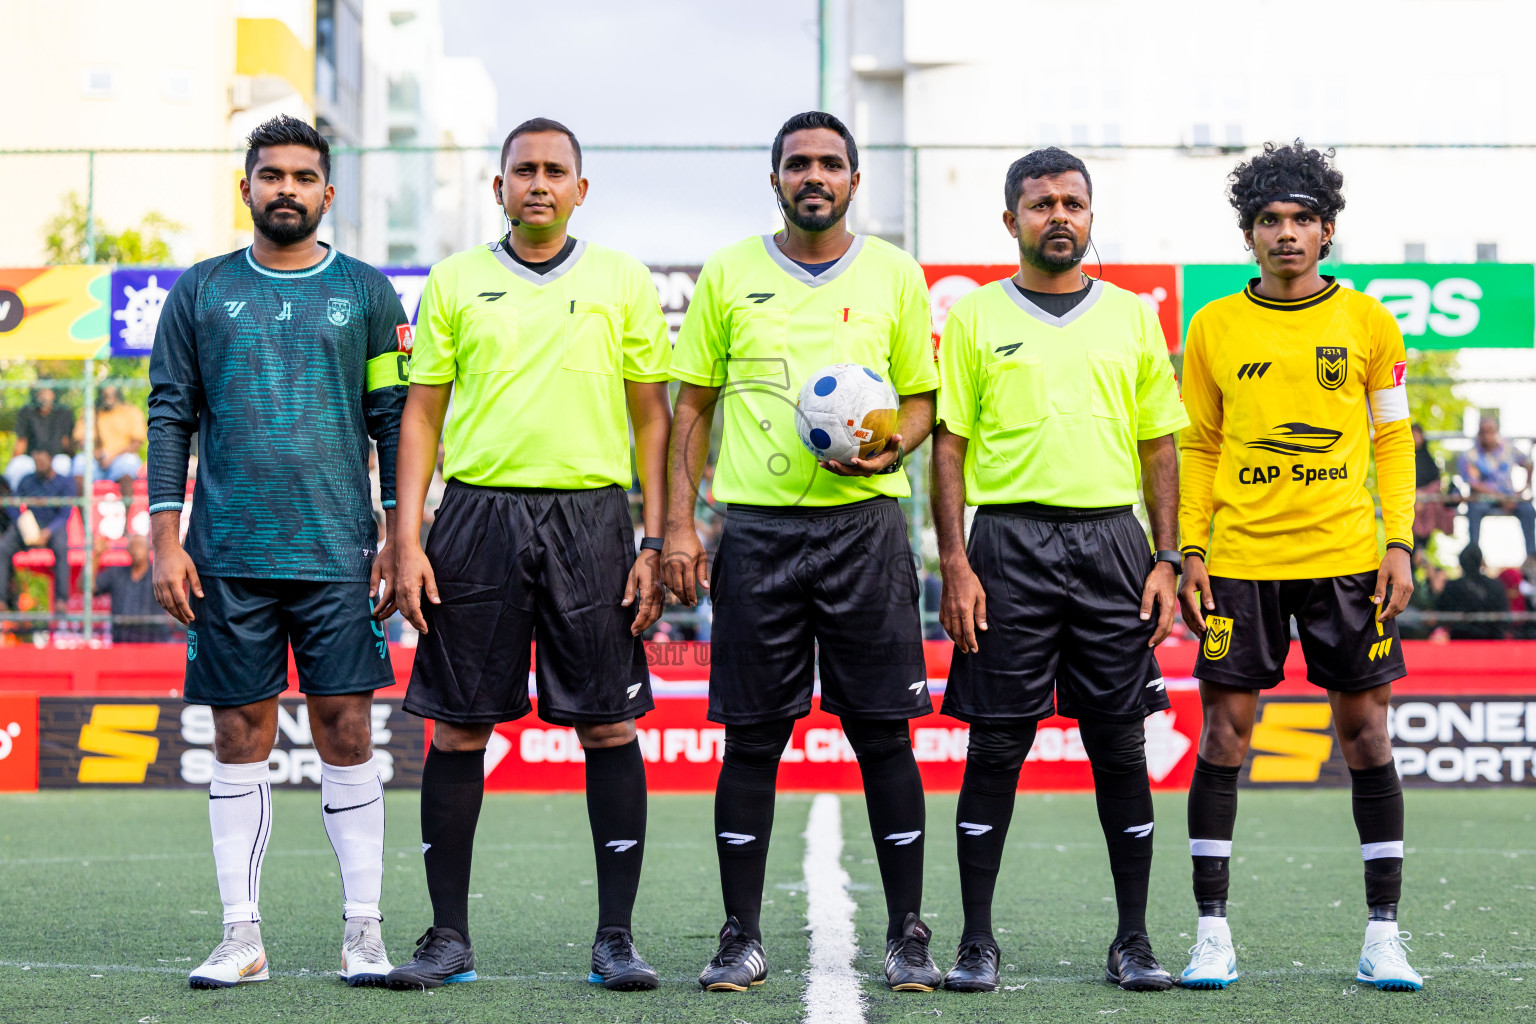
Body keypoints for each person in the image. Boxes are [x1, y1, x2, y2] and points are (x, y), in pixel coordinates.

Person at [386, 118, 672, 992]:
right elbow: (422, 413)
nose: (538, 182)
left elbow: (652, 416)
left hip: (593, 519)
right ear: (499, 186)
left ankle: (616, 939)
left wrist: (654, 539)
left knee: (608, 724)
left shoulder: (622, 279)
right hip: (476, 516)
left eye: (554, 171)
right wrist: (407, 537)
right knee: (458, 725)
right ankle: (448, 938)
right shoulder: (454, 281)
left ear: (580, 190)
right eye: (523, 170)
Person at [665, 111, 941, 993]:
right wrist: (679, 525)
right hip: (757, 535)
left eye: (829, 163)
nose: (813, 176)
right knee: (752, 739)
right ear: (776, 178)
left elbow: (922, 402)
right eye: (797, 164)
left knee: (884, 735)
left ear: (855, 179)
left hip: (866, 531)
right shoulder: (728, 272)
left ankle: (907, 934)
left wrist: (892, 449)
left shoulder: (895, 272)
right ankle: (739, 936)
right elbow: (692, 405)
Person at [147, 114, 409, 990]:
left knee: (348, 731)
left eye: (302, 177)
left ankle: (363, 932)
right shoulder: (201, 290)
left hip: (338, 553)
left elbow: (391, 421)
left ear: (327, 192)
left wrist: (397, 536)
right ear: (247, 187)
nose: (286, 189)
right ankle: (241, 937)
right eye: (271, 175)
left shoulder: (368, 293)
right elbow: (170, 415)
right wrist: (165, 537)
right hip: (227, 554)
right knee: (237, 734)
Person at [932, 147, 1187, 994]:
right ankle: (976, 941)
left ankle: (1133, 941)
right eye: (1041, 205)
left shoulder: (1131, 316)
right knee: (996, 742)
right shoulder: (973, 316)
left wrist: (1165, 556)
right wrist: (956, 561)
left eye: (1072, 203)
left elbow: (1159, 445)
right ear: (1012, 220)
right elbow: (949, 447)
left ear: (1091, 215)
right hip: (1007, 544)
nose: (1059, 216)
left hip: (1114, 544)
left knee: (1120, 743)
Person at [1177, 142, 1421, 992]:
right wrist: (1191, 549)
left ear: (1327, 231)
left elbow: (1393, 437)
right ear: (1249, 234)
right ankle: (1212, 933)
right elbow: (1199, 446)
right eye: (1270, 220)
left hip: (1347, 561)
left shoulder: (1368, 322)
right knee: (1223, 736)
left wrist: (1399, 542)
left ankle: (1383, 936)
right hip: (1240, 563)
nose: (1286, 233)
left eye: (1302, 219)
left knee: (1367, 737)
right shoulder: (1212, 326)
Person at [0, 447, 75, 611]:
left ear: (51, 459)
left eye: (42, 461)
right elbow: (12, 505)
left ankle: (61, 600)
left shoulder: (65, 483)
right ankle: (2, 600)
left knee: (62, 547)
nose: (39, 465)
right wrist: (24, 523)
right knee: (3, 548)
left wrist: (48, 531)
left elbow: (64, 514)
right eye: (36, 462)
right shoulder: (27, 480)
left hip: (53, 527)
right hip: (30, 525)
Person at [1459, 417, 1535, 560]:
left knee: (1528, 509)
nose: (1486, 435)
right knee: (1474, 509)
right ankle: (1474, 557)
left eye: (1490, 431)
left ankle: (1532, 556)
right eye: (1483, 432)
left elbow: (1529, 463)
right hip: (1484, 498)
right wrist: (1499, 497)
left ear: (1496, 432)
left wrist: (1525, 487)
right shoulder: (1471, 455)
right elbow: (1473, 483)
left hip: (1509, 496)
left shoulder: (1508, 449)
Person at [75, 385, 148, 501]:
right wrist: (95, 453)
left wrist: (113, 455)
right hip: (95, 458)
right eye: (106, 395)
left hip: (120, 457)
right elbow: (80, 440)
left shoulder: (130, 411)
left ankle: (127, 511)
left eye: (112, 395)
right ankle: (83, 511)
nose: (109, 398)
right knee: (79, 462)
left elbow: (136, 442)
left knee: (129, 462)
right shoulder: (90, 412)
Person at [95, 533, 171, 643]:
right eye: (133, 546)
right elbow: (87, 588)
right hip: (122, 644)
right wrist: (96, 556)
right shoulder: (116, 574)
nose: (136, 550)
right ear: (128, 550)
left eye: (140, 545)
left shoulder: (160, 574)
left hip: (154, 644)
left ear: (148, 548)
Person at [1434, 544, 1507, 640]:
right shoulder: (1496, 586)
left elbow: (1441, 612)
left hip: (1460, 640)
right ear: (1481, 561)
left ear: (1461, 561)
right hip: (1490, 640)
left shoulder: (1452, 586)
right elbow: (1504, 617)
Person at [7, 387, 74, 491]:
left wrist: (72, 458)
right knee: (17, 465)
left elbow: (66, 442)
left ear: (54, 394)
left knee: (64, 463)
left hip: (55, 458)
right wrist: (15, 459)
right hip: (32, 458)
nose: (44, 396)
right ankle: (15, 500)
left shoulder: (63, 412)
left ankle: (62, 500)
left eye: (47, 392)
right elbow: (21, 442)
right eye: (41, 392)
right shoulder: (27, 412)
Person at [1411, 423, 1456, 549]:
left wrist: (1424, 495)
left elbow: (1436, 481)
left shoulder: (1427, 459)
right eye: (1412, 435)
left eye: (1417, 435)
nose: (1415, 438)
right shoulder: (1402, 459)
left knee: (1432, 506)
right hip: (1410, 499)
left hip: (1427, 501)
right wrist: (1415, 495)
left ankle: (1421, 548)